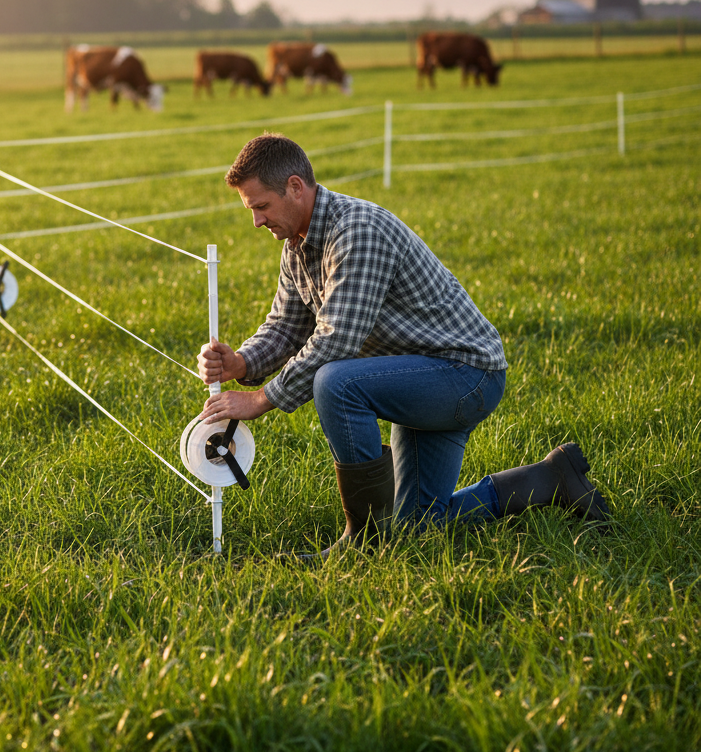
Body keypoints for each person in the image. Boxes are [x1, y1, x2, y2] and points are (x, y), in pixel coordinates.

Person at [196, 134, 610, 557]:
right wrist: (242, 363)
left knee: (335, 381)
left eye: (261, 206)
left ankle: (362, 541)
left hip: (465, 375)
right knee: (419, 526)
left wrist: (262, 399)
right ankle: (551, 479)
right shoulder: (297, 246)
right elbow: (286, 326)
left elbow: (337, 339)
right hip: (416, 375)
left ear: (296, 187)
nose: (257, 222)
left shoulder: (358, 230)